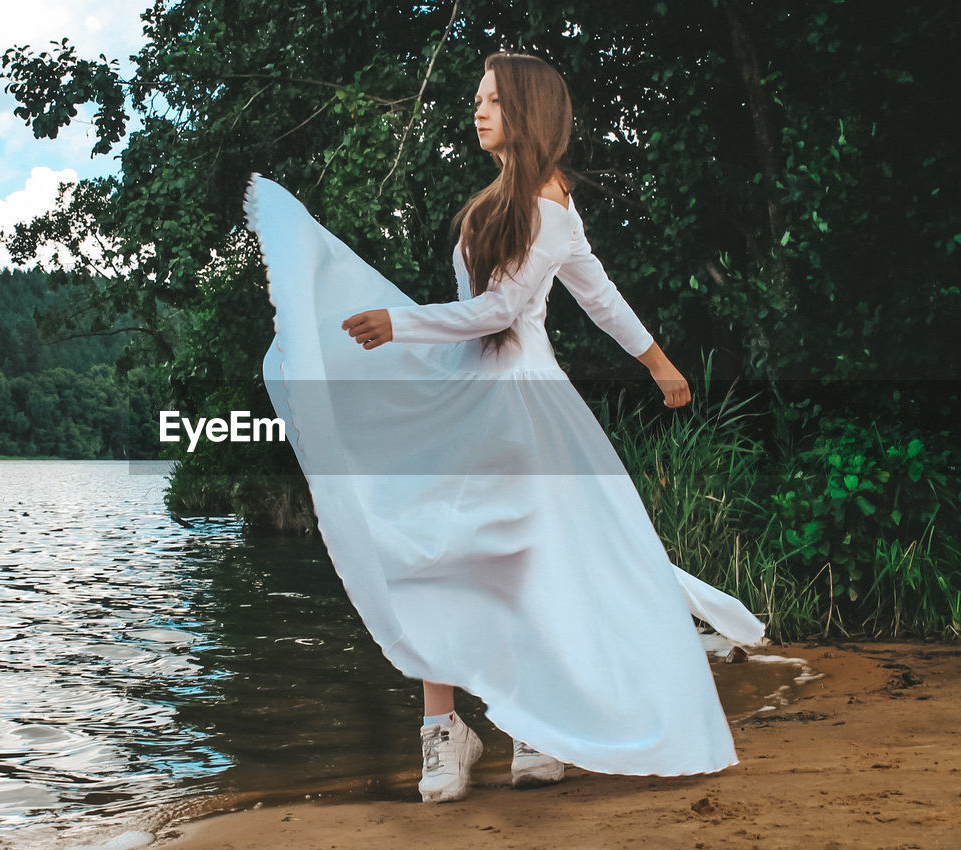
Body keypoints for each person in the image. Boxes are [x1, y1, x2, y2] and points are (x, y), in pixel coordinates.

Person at [244, 51, 765, 806]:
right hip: (468, 392)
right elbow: (586, 297)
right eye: (477, 99)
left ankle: (535, 722)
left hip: (522, 407)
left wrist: (659, 364)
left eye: (491, 100)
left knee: (517, 561)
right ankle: (447, 727)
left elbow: (508, 311)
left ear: (528, 112)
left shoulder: (550, 205)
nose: (478, 110)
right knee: (441, 551)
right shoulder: (500, 201)